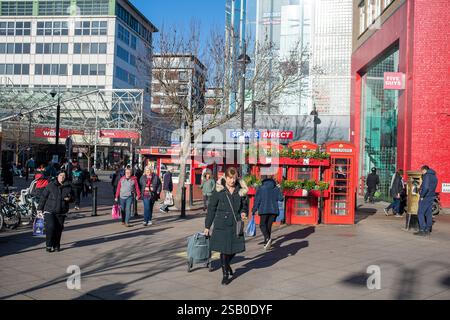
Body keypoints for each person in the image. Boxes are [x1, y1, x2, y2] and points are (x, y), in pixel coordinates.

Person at [204, 167, 249, 285]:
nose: (232, 181)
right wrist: (207, 226)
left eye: (234, 178)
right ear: (225, 177)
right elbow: (211, 209)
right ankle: (225, 275)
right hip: (221, 224)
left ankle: (227, 264)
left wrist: (244, 212)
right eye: (230, 178)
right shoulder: (219, 190)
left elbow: (245, 205)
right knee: (224, 250)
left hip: (235, 223)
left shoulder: (241, 190)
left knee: (235, 248)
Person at [37, 170, 72, 252]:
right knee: (51, 227)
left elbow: (73, 197)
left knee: (58, 229)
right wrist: (39, 209)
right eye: (60, 175)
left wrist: (69, 199)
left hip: (61, 211)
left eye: (63, 176)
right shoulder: (51, 185)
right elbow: (43, 197)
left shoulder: (68, 186)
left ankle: (56, 245)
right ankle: (49, 245)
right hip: (50, 210)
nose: (62, 178)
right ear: (57, 176)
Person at [251, 175, 284, 250]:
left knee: (262, 225)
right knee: (268, 226)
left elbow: (257, 200)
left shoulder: (261, 188)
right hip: (273, 211)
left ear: (264, 181)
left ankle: (267, 238)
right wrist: (280, 189)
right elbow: (281, 199)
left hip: (264, 210)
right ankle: (267, 242)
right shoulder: (276, 188)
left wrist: (254, 210)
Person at [415, 165, 438, 236]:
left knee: (420, 213)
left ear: (424, 170)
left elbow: (426, 187)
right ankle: (428, 229)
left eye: (421, 171)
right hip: (431, 197)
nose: (421, 173)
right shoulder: (434, 176)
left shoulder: (427, 176)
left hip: (425, 197)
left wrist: (422, 196)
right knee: (428, 213)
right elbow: (431, 186)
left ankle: (422, 229)